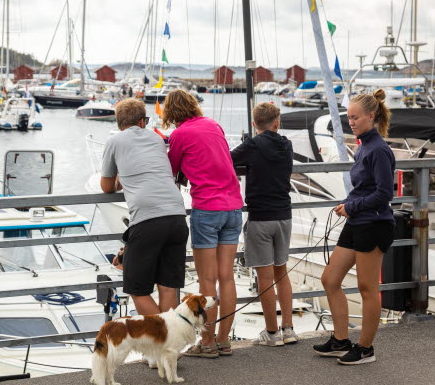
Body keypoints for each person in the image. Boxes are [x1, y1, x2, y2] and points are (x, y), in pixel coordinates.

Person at [313, 89, 395, 365]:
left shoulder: (379, 149)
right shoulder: (364, 146)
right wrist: (346, 203)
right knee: (330, 279)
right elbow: (364, 188)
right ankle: (340, 340)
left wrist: (352, 206)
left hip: (375, 224)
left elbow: (385, 194)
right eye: (349, 117)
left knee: (366, 288)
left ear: (371, 116)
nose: (351, 122)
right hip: (357, 221)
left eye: (355, 117)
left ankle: (366, 348)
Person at [163, 89, 243, 358]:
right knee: (227, 278)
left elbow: (170, 169)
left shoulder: (179, 134)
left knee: (207, 281)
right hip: (233, 206)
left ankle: (206, 343)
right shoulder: (213, 125)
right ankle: (224, 340)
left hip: (207, 209)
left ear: (172, 113)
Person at [100, 99, 188, 316]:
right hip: (177, 215)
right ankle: (169, 343)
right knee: (167, 286)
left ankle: (161, 342)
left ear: (120, 121)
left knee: (136, 288)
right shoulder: (156, 140)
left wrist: (121, 179)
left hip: (147, 219)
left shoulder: (114, 141)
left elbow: (106, 187)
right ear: (141, 121)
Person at [231, 102, 298, 346]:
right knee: (282, 272)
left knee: (265, 277)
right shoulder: (287, 144)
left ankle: (271, 333)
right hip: (284, 215)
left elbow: (228, 159)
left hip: (260, 217)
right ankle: (288, 329)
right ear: (277, 123)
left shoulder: (252, 145)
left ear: (253, 124)